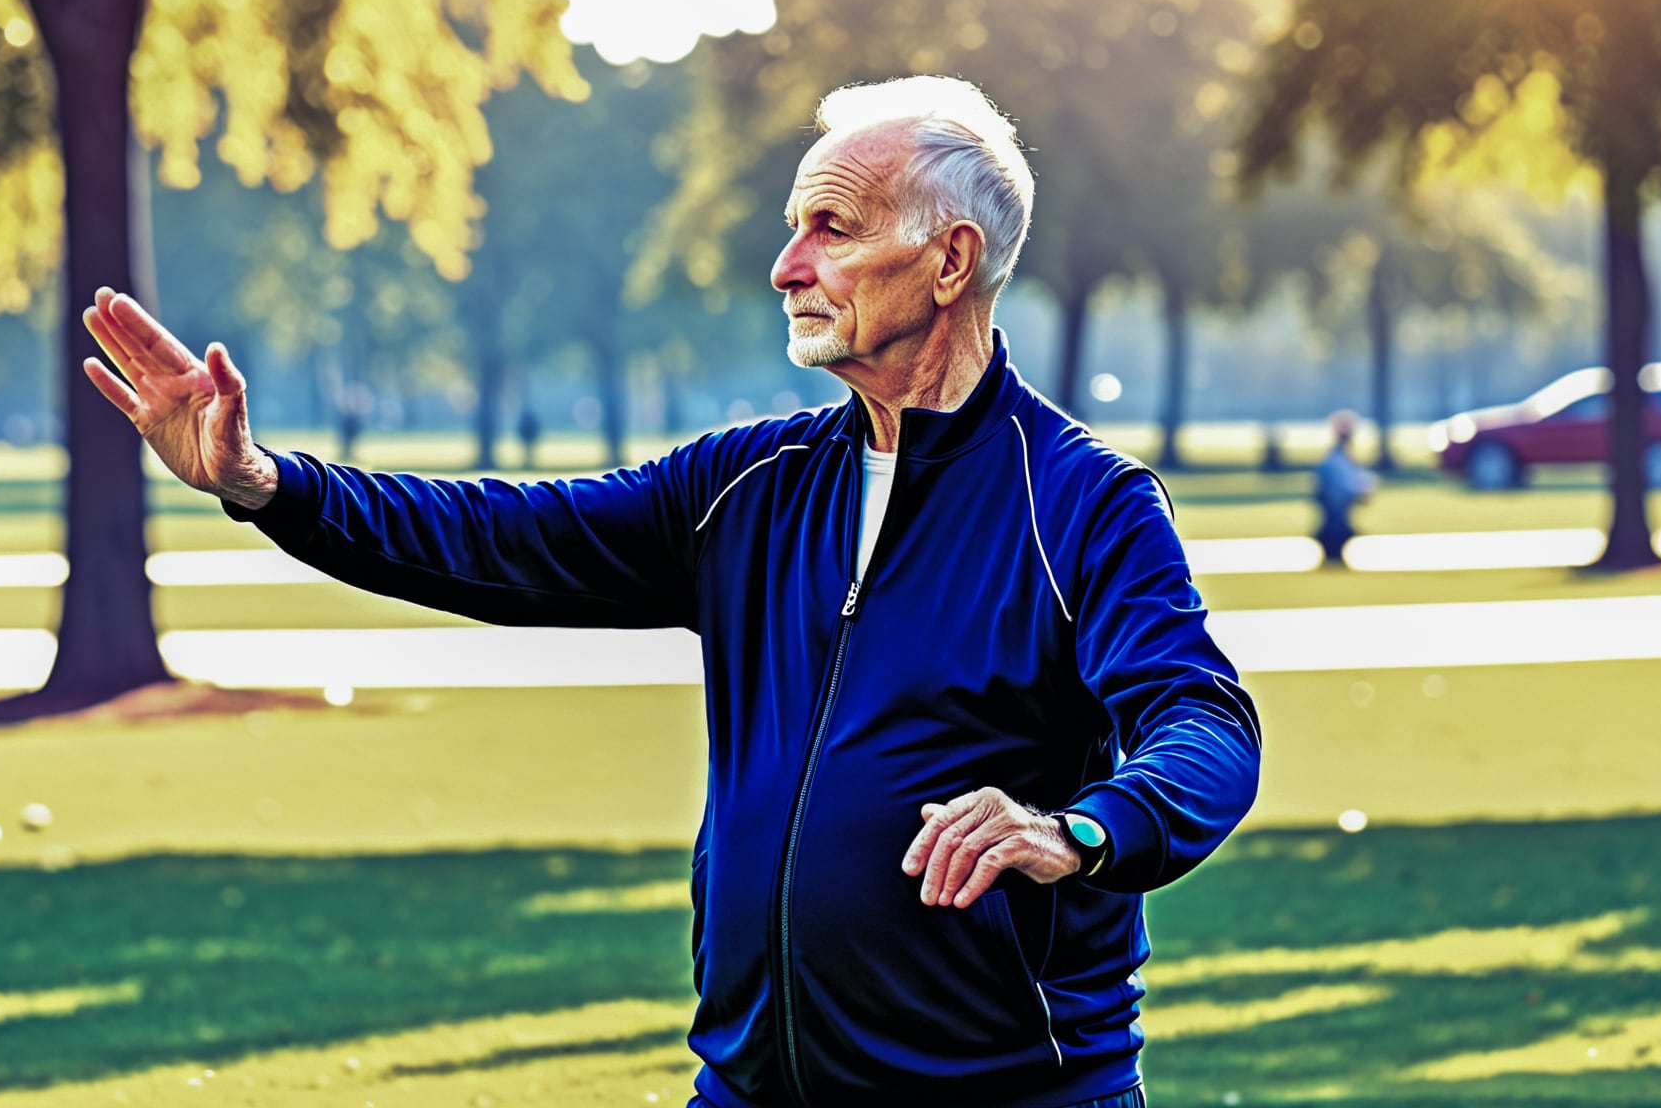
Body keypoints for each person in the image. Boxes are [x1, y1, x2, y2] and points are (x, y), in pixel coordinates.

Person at [81, 75, 1261, 1108]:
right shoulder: (745, 487)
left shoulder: (1083, 504)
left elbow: (1205, 726)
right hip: (747, 1089)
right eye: (795, 226)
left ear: (950, 260)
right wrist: (266, 484)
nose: (786, 265)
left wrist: (1080, 831)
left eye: (832, 229)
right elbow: (498, 538)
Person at [1315, 409, 1376, 564]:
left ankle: (1334, 556)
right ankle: (1332, 556)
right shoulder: (1337, 457)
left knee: (1338, 527)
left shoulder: (1341, 456)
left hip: (1339, 497)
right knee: (1335, 528)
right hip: (1336, 498)